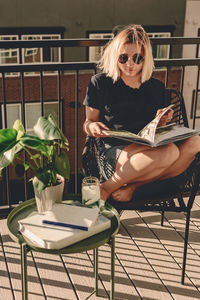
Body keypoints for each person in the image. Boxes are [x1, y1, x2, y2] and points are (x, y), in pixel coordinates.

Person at [83, 24, 200, 202]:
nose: (130, 64)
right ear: (115, 56)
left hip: (149, 151)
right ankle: (110, 186)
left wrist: (162, 121)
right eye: (124, 57)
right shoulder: (100, 83)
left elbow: (157, 131)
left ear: (145, 59)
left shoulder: (156, 87)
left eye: (137, 58)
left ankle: (130, 187)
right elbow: (88, 123)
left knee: (195, 141)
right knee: (170, 153)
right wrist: (92, 126)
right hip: (115, 152)